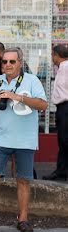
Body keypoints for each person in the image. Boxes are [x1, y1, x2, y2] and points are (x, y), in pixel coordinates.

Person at [0, 47, 48, 232]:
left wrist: (17, 97)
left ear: (20, 63)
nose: (8, 65)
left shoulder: (32, 81)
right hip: (0, 138)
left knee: (23, 180)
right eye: (5, 61)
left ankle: (23, 219)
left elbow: (42, 104)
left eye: (12, 62)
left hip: (25, 140)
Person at [45, 44, 68, 180]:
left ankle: (62, 172)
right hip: (62, 108)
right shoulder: (61, 68)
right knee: (63, 140)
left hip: (65, 107)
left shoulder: (65, 68)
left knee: (65, 140)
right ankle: (61, 171)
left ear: (56, 55)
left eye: (52, 54)